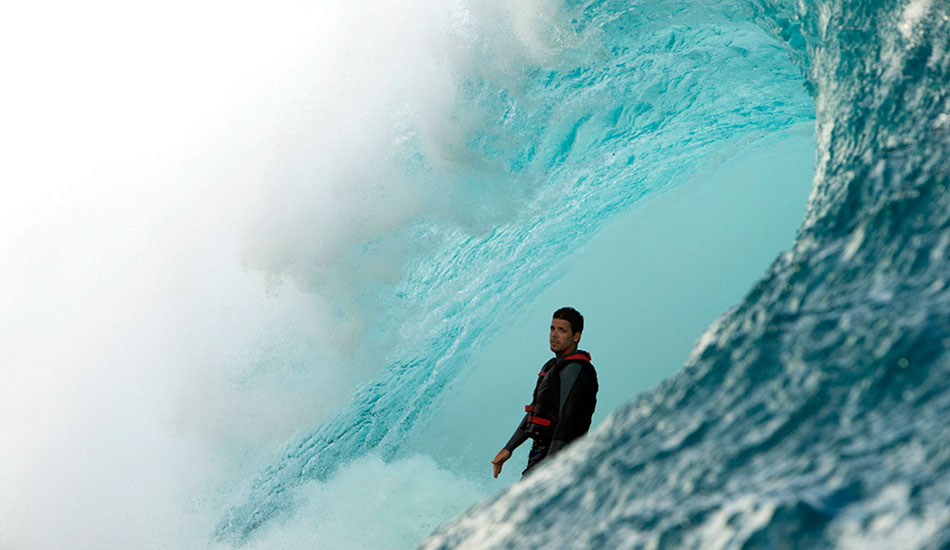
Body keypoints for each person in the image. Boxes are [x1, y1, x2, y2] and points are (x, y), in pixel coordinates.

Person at [491, 307, 598, 479]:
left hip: (559, 456)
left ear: (576, 336)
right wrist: (508, 448)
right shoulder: (551, 366)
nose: (554, 335)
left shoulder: (575, 369)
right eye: (552, 328)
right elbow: (536, 411)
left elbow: (567, 419)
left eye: (562, 330)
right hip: (541, 452)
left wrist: (550, 466)